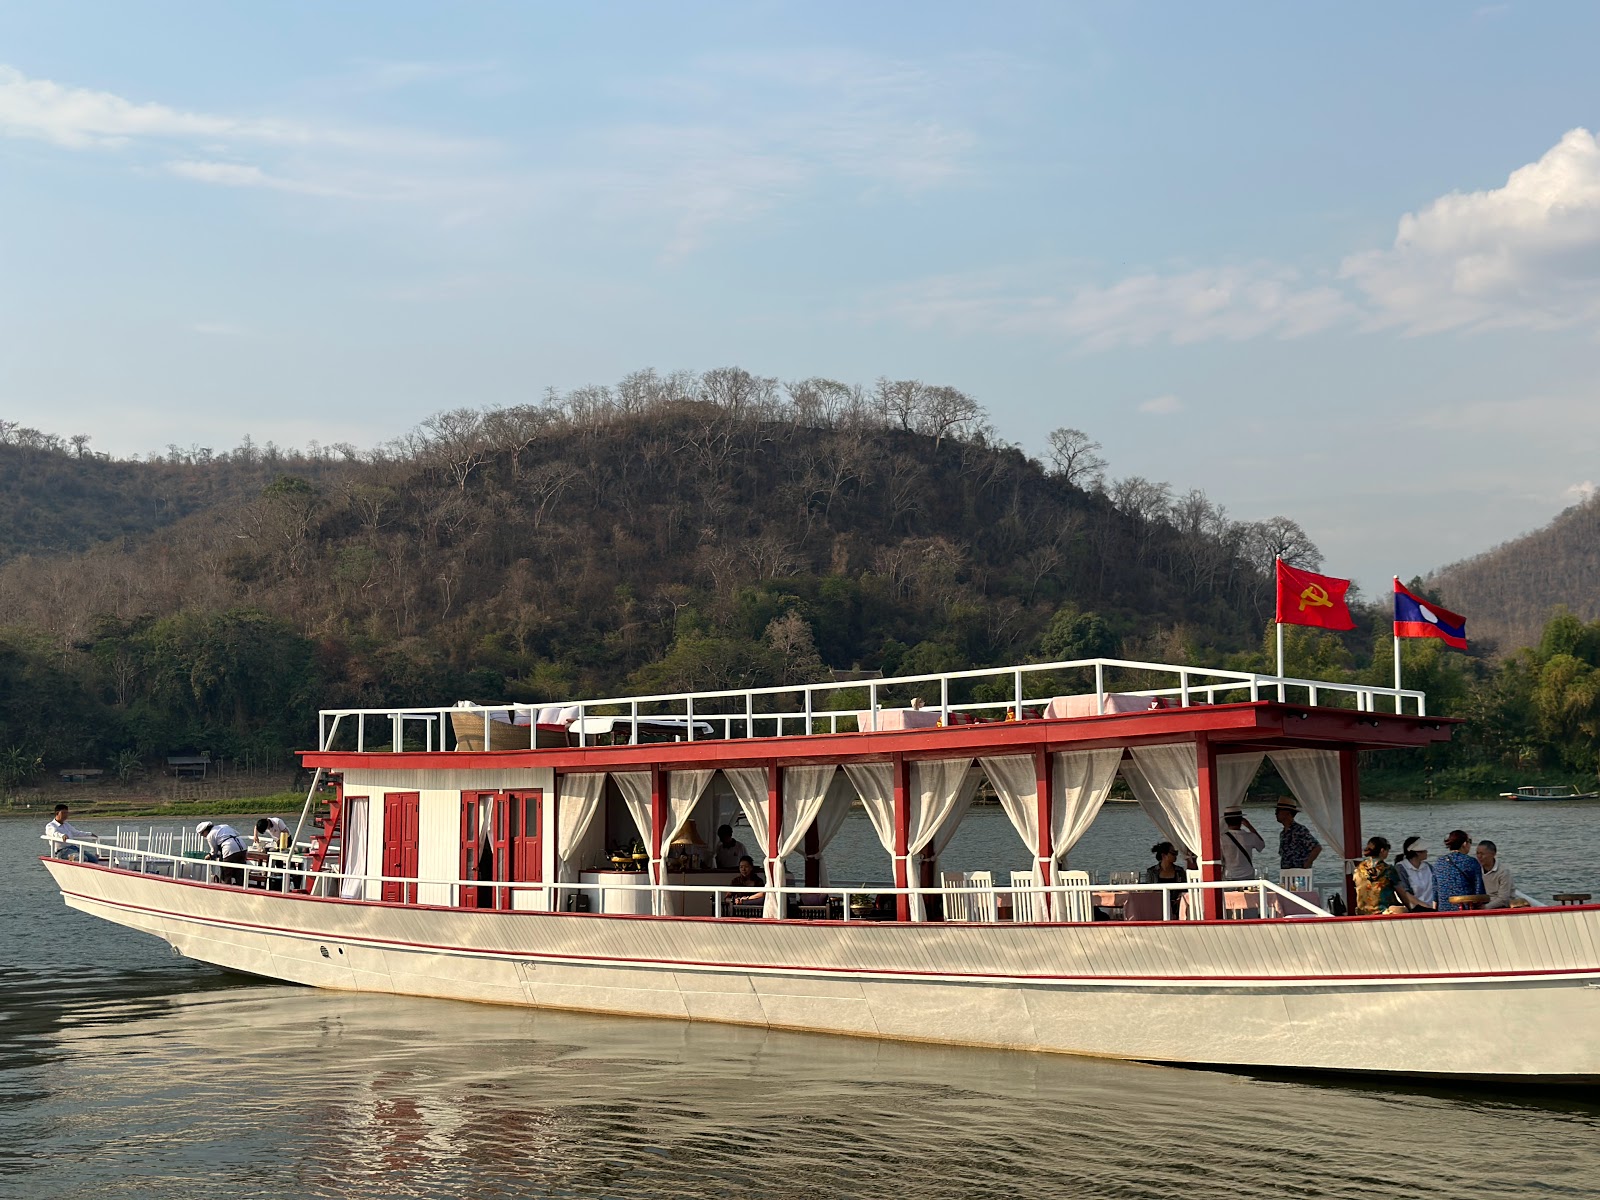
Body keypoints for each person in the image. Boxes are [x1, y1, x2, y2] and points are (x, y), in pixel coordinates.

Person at [1431, 829, 1486, 912]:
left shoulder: (1439, 862)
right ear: (1464, 844)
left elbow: (1435, 892)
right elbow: (1479, 890)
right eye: (1469, 841)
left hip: (1444, 910)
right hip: (1465, 908)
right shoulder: (1471, 862)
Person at [1352, 836, 1403, 915]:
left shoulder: (1358, 870)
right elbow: (1402, 893)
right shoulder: (1388, 870)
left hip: (1363, 912)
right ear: (1382, 850)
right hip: (1384, 912)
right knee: (1403, 909)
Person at [1274, 797, 1321, 872]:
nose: (1276, 813)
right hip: (1286, 874)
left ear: (1287, 813)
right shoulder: (1283, 833)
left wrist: (1306, 866)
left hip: (1299, 875)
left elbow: (1317, 848)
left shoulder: (1299, 830)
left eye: (1278, 811)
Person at [1219, 805, 1265, 880]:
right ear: (1241, 821)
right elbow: (1261, 845)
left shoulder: (1221, 838)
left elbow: (1220, 859)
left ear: (1226, 821)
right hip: (1248, 875)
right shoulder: (1250, 837)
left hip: (1229, 875)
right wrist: (1250, 826)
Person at [197, 820, 248, 886]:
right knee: (239, 872)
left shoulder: (210, 835)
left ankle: (226, 888)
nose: (203, 836)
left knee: (226, 872)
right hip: (242, 847)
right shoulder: (224, 826)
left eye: (202, 834)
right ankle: (241, 887)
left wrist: (209, 856)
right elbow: (237, 833)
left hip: (229, 849)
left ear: (205, 830)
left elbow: (214, 851)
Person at [1394, 836, 1435, 911]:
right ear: (1417, 852)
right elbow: (1405, 893)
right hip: (1415, 909)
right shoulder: (1401, 868)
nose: (1427, 852)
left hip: (1431, 907)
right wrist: (1424, 906)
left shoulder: (1428, 867)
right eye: (1424, 850)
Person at [1477, 840, 1515, 909]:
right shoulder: (1476, 869)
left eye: (1482, 854)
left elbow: (1503, 899)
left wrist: (1485, 907)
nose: (1479, 856)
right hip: (1483, 903)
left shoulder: (1503, 872)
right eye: (1477, 853)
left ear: (1493, 854)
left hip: (1501, 907)